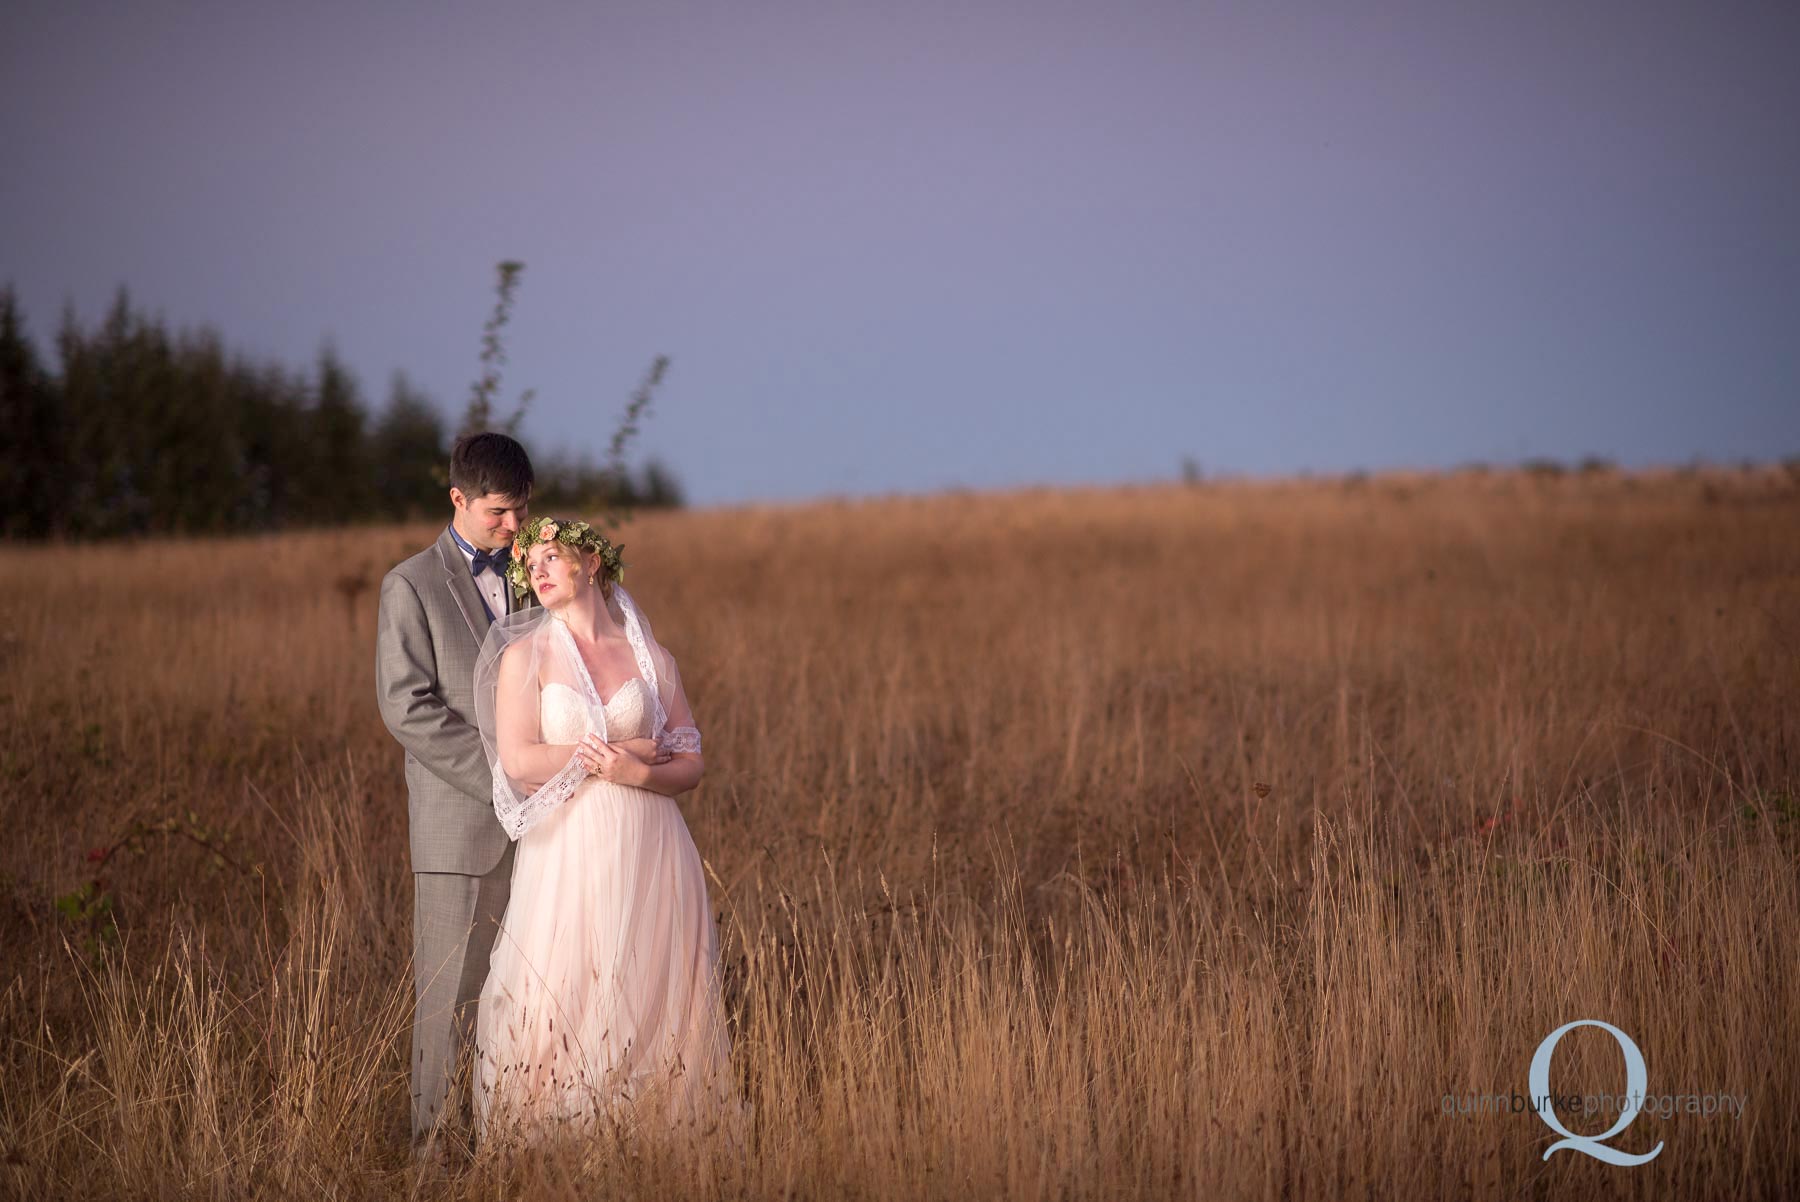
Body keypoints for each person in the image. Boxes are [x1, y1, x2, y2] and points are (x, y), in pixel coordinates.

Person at [375, 433, 670, 1152]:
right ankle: (435, 1159)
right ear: (458, 501)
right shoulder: (409, 585)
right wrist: (508, 777)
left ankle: (512, 1145)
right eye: (501, 513)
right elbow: (406, 707)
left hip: (555, 835)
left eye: (523, 510)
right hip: (465, 828)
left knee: (532, 996)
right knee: (453, 1000)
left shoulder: (532, 573)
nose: (516, 528)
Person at [470, 514, 741, 1146]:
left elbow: (692, 764)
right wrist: (608, 760)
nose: (535, 571)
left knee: (653, 981)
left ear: (592, 563)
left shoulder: (652, 657)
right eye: (528, 565)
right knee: (565, 980)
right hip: (570, 847)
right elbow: (519, 759)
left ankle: (656, 1134)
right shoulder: (525, 655)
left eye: (549, 558)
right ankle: (558, 1139)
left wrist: (638, 770)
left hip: (653, 841)